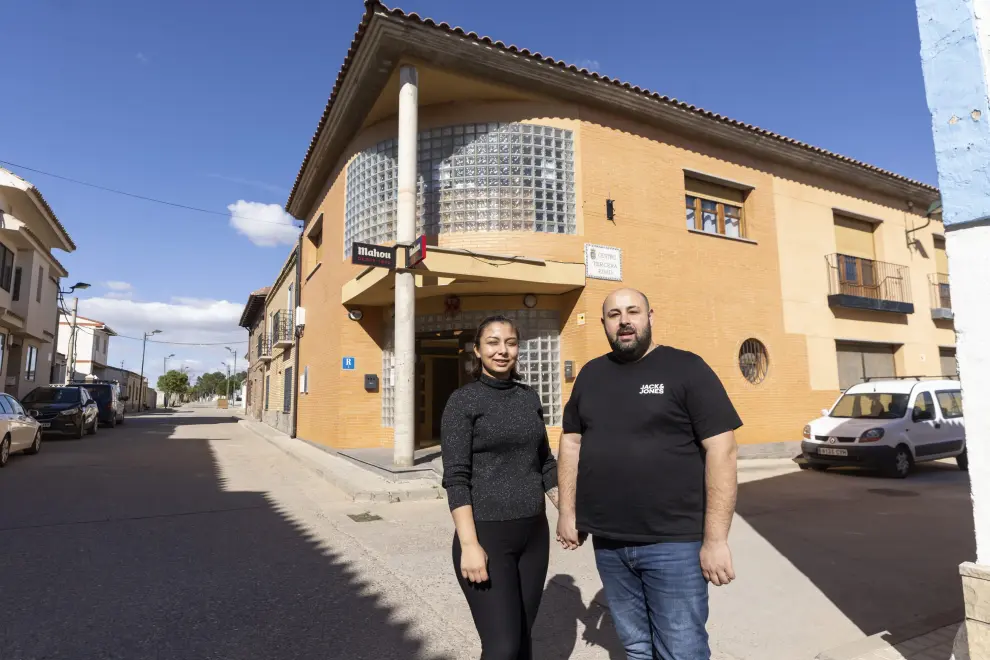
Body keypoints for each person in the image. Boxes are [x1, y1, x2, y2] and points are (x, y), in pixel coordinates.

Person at [556, 288, 742, 660]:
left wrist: (716, 540)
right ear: (604, 323)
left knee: (681, 650)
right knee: (636, 648)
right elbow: (571, 443)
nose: (624, 320)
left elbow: (722, 450)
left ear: (649, 316)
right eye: (614, 314)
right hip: (609, 542)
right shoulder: (591, 374)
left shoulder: (686, 368)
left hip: (674, 544)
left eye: (633, 311)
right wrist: (567, 511)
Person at [441, 314, 559, 660]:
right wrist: (469, 545)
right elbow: (456, 477)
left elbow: (545, 463)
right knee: (502, 648)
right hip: (487, 536)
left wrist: (567, 511)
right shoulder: (463, 402)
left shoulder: (528, 398)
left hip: (534, 535)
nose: (502, 350)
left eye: (510, 342)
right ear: (477, 351)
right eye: (492, 342)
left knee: (523, 640)